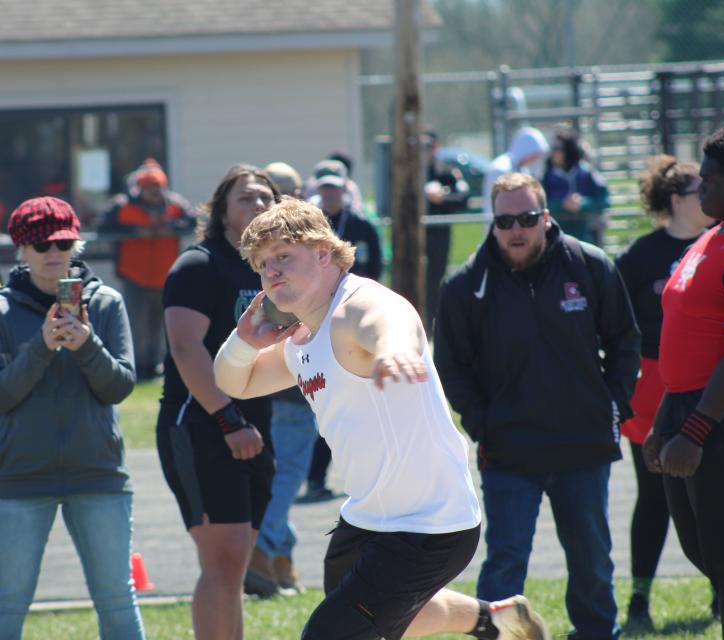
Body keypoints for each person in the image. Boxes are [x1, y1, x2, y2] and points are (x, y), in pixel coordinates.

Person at [214, 197, 550, 640]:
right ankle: (494, 620)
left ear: (323, 253)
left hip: (430, 525)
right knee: (390, 615)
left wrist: (393, 351)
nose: (271, 272)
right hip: (368, 518)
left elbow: (391, 320)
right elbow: (234, 382)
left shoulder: (357, 305)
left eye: (283, 256)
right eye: (261, 264)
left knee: (332, 633)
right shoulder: (300, 340)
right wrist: (243, 341)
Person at [436, 172, 640, 639]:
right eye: (504, 220)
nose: (516, 230)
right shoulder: (466, 285)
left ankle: (595, 633)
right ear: (493, 222)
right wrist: (483, 423)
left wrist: (612, 404)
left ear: (546, 218)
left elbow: (625, 341)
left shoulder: (590, 266)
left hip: (582, 445)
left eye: (527, 218)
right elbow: (451, 366)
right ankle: (494, 635)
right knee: (505, 558)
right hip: (509, 451)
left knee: (591, 557)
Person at [0, 196, 145, 639]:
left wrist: (86, 345)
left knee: (117, 599)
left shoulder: (105, 303)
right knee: (7, 602)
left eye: (64, 243)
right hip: (19, 478)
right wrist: (42, 347)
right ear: (21, 251)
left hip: (99, 474)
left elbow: (120, 387)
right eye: (42, 244)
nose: (54, 253)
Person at [643, 122, 724, 637]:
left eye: (710, 180)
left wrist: (694, 430)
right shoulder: (713, 237)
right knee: (703, 548)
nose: (701, 189)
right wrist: (664, 419)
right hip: (685, 405)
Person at [156, 165, 279, 639]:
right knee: (222, 563)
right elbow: (186, 348)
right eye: (247, 198)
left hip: (255, 427)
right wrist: (229, 420)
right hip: (204, 427)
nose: (259, 206)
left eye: (268, 197)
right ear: (222, 211)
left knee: (234, 566)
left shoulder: (272, 270)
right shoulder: (199, 265)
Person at [613, 155, 713, 628]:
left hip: (715, 386)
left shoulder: (723, 245)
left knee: (714, 495)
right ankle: (639, 602)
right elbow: (616, 326)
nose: (710, 196)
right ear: (676, 201)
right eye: (700, 189)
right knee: (654, 498)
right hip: (652, 387)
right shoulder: (639, 257)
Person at [239, 162, 320, 596]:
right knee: (288, 474)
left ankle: (281, 556)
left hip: (284, 383)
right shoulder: (289, 254)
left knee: (285, 473)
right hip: (288, 383)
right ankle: (263, 548)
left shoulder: (271, 251)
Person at [303, 160, 384, 503]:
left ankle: (370, 476)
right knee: (328, 402)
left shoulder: (362, 225)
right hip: (322, 322)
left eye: (335, 188)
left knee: (363, 404)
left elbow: (377, 266)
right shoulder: (311, 229)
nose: (330, 195)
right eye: (324, 189)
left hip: (358, 318)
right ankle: (316, 477)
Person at [100, 159, 195, 380]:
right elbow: (103, 227)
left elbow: (192, 223)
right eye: (149, 189)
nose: (154, 193)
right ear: (140, 188)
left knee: (163, 324)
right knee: (137, 323)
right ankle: (139, 366)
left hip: (166, 274)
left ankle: (158, 365)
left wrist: (171, 229)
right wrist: (134, 231)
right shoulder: (121, 206)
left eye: (157, 188)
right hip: (134, 274)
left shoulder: (176, 205)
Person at [423, 129, 471, 330]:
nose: (423, 151)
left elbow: (463, 197)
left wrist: (442, 197)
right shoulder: (405, 171)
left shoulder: (445, 171)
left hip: (438, 234)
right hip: (411, 237)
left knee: (434, 280)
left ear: (436, 148)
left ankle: (431, 326)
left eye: (427, 146)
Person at [542, 129, 610, 245]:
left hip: (587, 237)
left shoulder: (587, 173)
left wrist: (583, 203)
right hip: (556, 239)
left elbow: (605, 200)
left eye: (557, 148)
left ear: (568, 150)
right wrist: (562, 204)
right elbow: (540, 205)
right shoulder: (547, 176)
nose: (553, 152)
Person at [482, 126, 550, 217]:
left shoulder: (522, 169)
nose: (536, 158)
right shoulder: (500, 169)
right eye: (535, 154)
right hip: (501, 222)